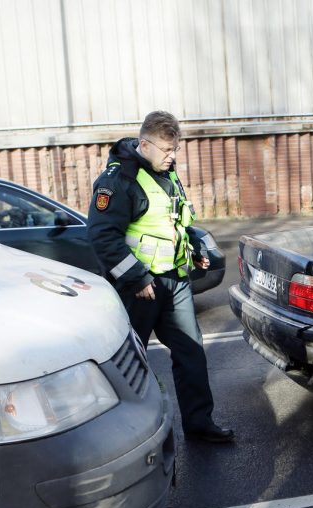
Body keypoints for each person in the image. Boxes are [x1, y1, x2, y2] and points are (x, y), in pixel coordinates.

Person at [88, 110, 235, 444]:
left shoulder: (167, 173)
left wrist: (195, 247)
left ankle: (199, 424)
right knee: (131, 364)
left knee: (191, 353)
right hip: (139, 288)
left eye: (175, 150)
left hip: (175, 281)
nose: (172, 157)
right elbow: (102, 238)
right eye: (166, 150)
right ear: (144, 144)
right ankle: (128, 437)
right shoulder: (117, 181)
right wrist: (137, 279)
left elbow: (176, 222)